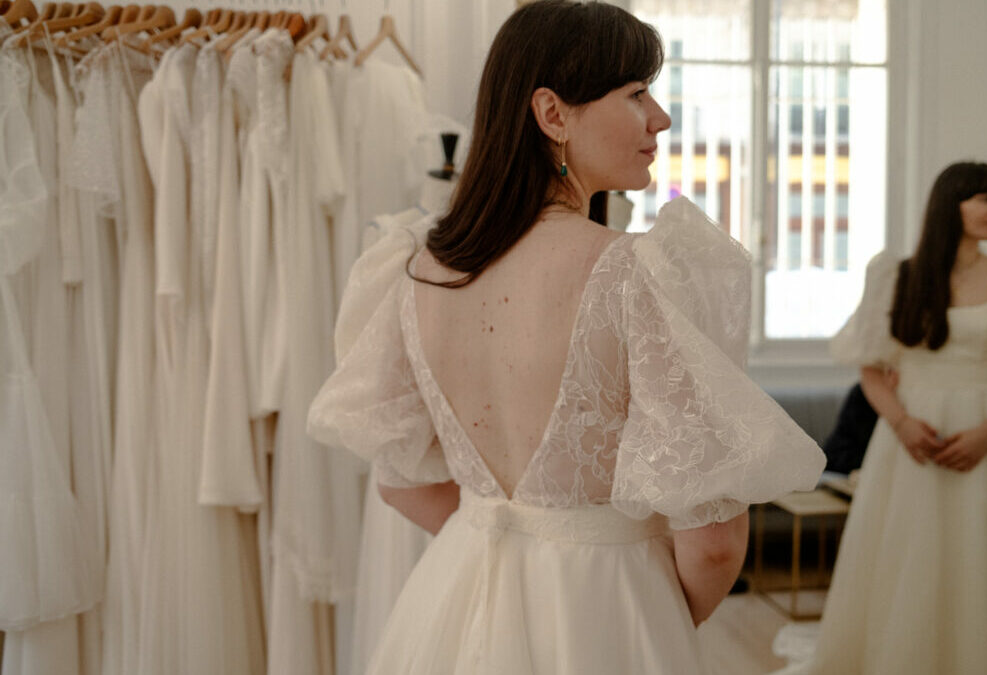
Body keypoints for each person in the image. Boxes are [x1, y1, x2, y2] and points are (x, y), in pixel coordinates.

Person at [307, 2, 824, 672]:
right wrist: (642, 606)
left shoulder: (414, 270)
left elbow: (401, 483)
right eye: (636, 93)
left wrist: (514, 553)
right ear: (552, 114)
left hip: (459, 593)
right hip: (605, 605)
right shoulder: (638, 273)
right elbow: (715, 542)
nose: (660, 118)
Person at [785, 161, 987, 675]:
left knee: (985, 557)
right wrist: (902, 423)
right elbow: (871, 370)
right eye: (985, 198)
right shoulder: (898, 276)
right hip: (910, 441)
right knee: (909, 556)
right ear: (950, 204)